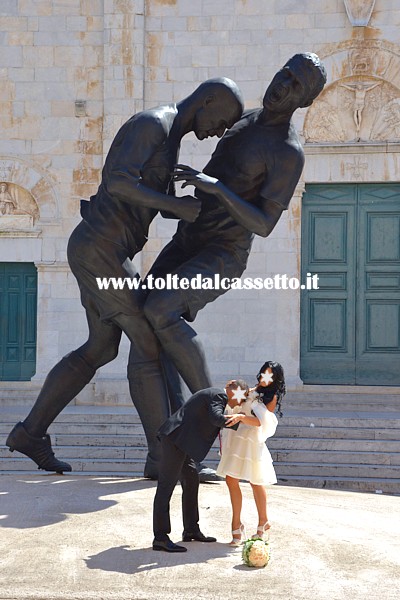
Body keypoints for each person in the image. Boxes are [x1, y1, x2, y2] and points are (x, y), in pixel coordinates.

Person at [5, 79, 244, 477]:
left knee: (100, 349)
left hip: (106, 252)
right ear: (206, 101)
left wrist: (208, 194)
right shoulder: (152, 125)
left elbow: (159, 206)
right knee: (149, 341)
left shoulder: (171, 141)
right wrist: (174, 204)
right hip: (101, 250)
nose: (218, 132)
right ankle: (162, 458)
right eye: (221, 122)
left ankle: (31, 433)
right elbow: (117, 181)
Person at [141, 53, 327, 403]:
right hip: (188, 238)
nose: (283, 86)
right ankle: (177, 425)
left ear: (306, 100)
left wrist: (215, 188)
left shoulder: (288, 152)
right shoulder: (245, 118)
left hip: (223, 254)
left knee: (160, 308)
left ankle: (213, 408)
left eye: (296, 85)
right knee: (146, 320)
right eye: (285, 73)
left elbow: (265, 224)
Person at [152, 379, 246, 552]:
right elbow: (216, 418)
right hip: (175, 439)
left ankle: (191, 530)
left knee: (191, 480)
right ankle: (160, 537)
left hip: (182, 442)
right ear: (232, 392)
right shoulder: (219, 396)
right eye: (240, 396)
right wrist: (242, 422)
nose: (240, 402)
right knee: (166, 486)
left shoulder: (218, 395)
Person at [216, 361, 286, 546]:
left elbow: (261, 422)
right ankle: (236, 524)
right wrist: (230, 390)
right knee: (231, 480)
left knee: (256, 481)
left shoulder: (271, 398)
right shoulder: (251, 390)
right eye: (264, 373)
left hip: (252, 442)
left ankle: (263, 522)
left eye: (270, 375)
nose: (265, 378)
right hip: (237, 439)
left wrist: (241, 417)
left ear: (275, 378)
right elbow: (233, 403)